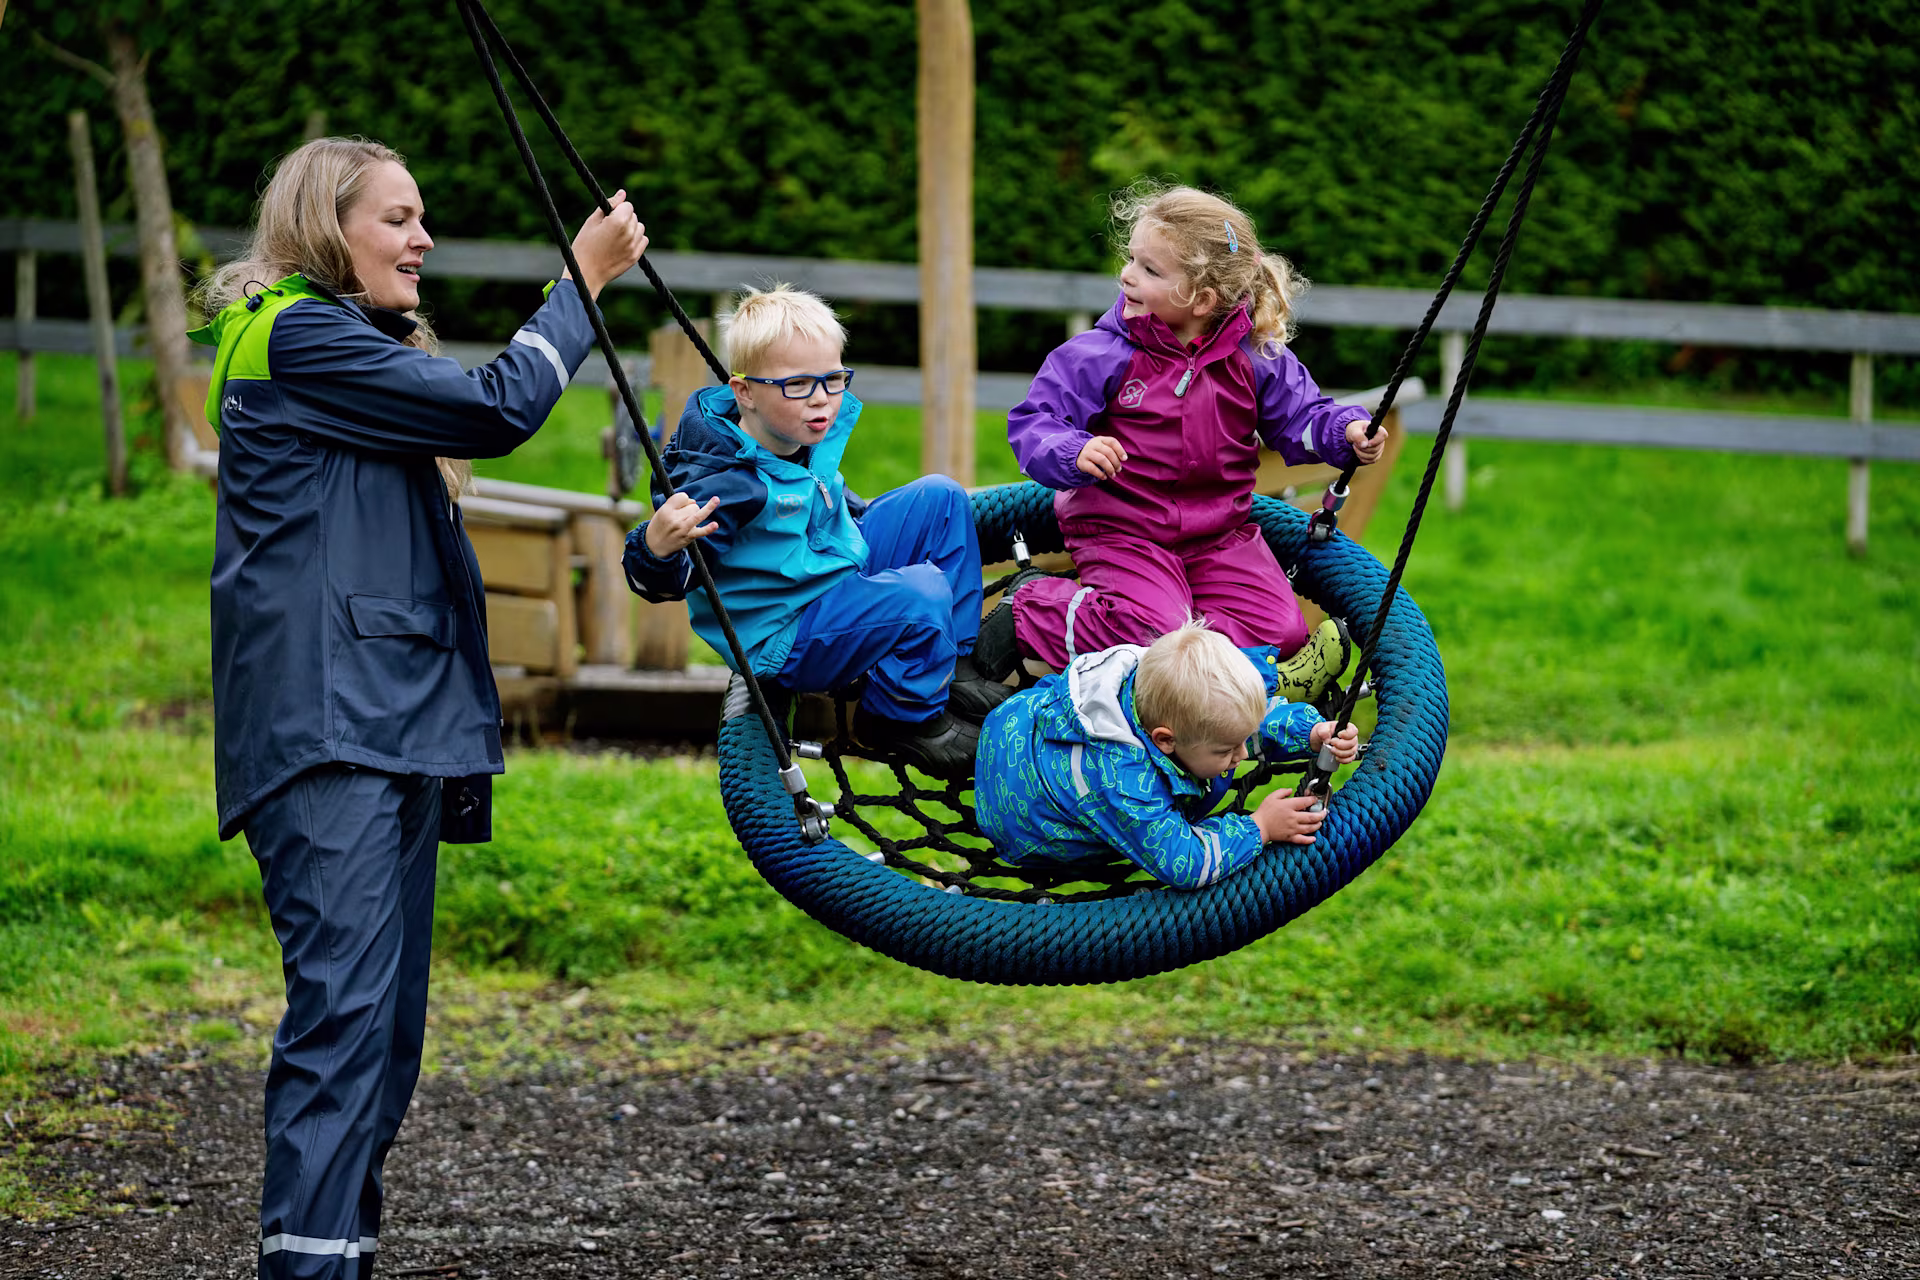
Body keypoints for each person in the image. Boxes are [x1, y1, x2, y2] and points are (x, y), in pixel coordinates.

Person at [192, 136, 646, 1280]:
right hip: (329, 729)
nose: (422, 239)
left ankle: (340, 1256)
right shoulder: (295, 333)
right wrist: (578, 285)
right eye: (396, 218)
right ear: (323, 227)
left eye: (421, 217)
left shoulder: (337, 341)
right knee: (345, 1023)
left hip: (385, 726)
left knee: (384, 1040)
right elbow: (498, 407)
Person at [975, 184, 1388, 687]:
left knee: (1280, 630)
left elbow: (1302, 416)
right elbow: (1036, 421)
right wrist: (1074, 449)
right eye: (1131, 259)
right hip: (1124, 530)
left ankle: (1237, 685)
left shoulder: (1254, 358)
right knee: (1155, 631)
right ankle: (1033, 609)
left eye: (1150, 270)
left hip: (1219, 534)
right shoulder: (1101, 354)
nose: (1127, 275)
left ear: (1203, 299)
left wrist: (1345, 432)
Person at [622, 284, 1007, 776]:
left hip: (824, 571)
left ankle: (951, 664)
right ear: (745, 392)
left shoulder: (794, 432)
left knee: (941, 497)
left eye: (833, 379)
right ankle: (901, 718)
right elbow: (663, 580)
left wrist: (868, 524)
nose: (821, 400)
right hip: (789, 632)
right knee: (922, 591)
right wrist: (655, 546)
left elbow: (822, 497)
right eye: (799, 385)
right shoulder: (730, 485)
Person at [974, 621, 1363, 890]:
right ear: (1164, 741)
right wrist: (1259, 827)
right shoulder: (1123, 783)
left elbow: (1242, 722)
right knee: (1150, 811)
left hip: (1014, 724)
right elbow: (1185, 861)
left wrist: (1310, 732)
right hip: (1022, 821)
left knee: (1221, 736)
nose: (1243, 754)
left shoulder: (1161, 685)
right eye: (1227, 750)